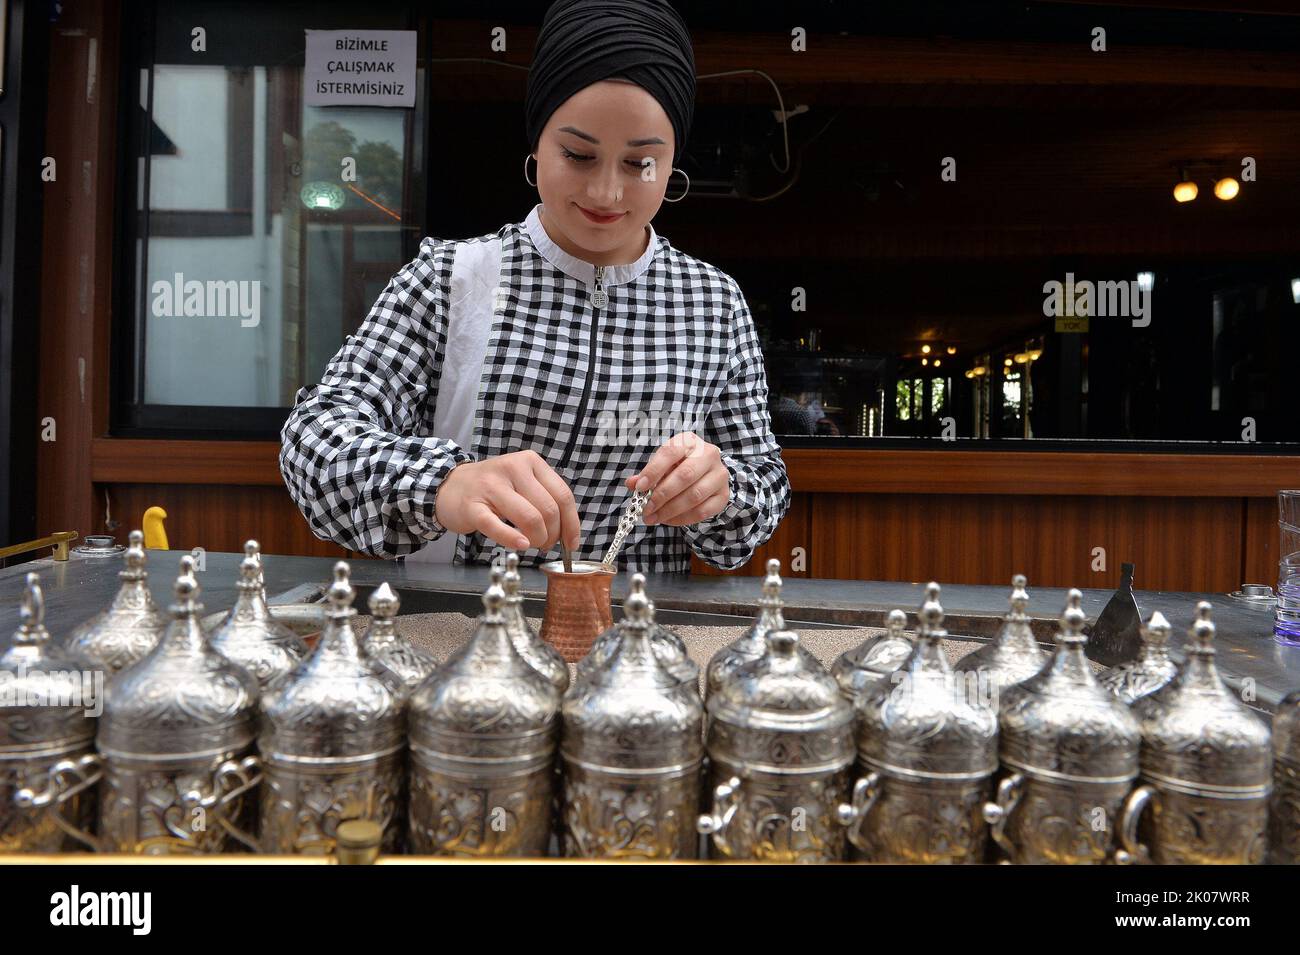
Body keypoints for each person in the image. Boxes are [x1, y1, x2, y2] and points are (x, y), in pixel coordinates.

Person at [280, 0, 790, 574]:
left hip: (637, 647)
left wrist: (721, 494)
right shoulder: (451, 280)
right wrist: (444, 484)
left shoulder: (712, 305)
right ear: (536, 142)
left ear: (672, 164)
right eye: (577, 154)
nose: (605, 191)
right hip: (461, 637)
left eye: (640, 163)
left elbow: (759, 494)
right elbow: (314, 442)